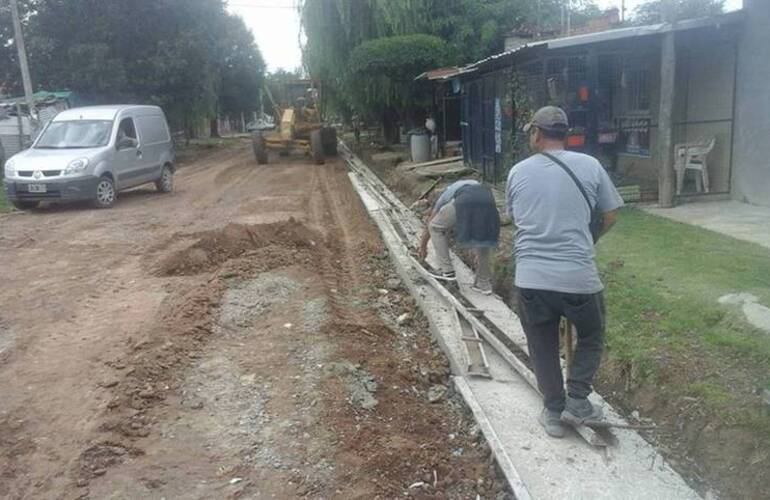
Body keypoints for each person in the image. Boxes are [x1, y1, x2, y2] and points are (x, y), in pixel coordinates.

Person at [505, 106, 624, 438]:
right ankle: (578, 400)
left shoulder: (517, 172)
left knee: (541, 345)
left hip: (531, 278)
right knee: (591, 334)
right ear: (566, 134)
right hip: (578, 277)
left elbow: (516, 217)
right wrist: (589, 239)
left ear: (537, 134)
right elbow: (611, 215)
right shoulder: (590, 165)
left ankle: (555, 412)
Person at [417, 179, 500, 295]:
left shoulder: (446, 195)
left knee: (435, 227)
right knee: (483, 238)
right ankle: (484, 283)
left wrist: (423, 246)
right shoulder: (473, 184)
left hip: (466, 200)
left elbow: (431, 222)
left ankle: (447, 272)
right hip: (489, 202)